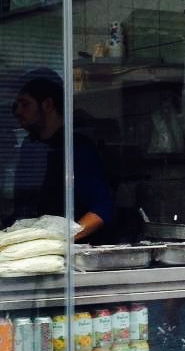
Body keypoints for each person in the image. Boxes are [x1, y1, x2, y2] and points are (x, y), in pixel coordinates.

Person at [11, 70, 114, 242]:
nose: (18, 111)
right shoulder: (30, 146)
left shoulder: (77, 147)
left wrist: (60, 241)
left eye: (25, 104)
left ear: (47, 104)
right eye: (16, 106)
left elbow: (102, 210)